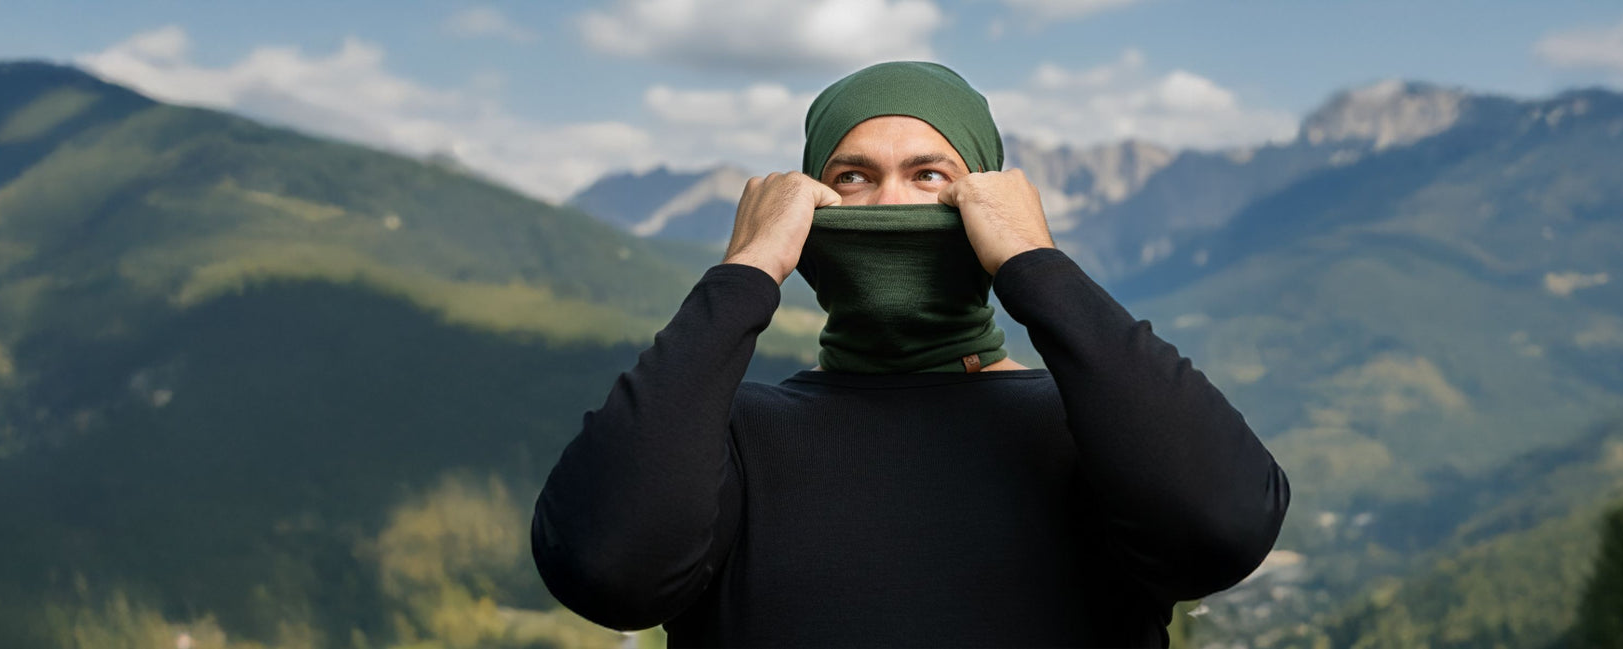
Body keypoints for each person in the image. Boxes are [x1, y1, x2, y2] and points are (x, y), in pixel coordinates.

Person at [530, 61, 1290, 647]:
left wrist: (1035, 262)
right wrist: (745, 272)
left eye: (932, 176)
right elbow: (606, 565)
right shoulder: (727, 436)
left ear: (990, 204)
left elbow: (1222, 525)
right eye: (851, 177)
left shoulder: (1096, 425)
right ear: (806, 211)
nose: (891, 205)